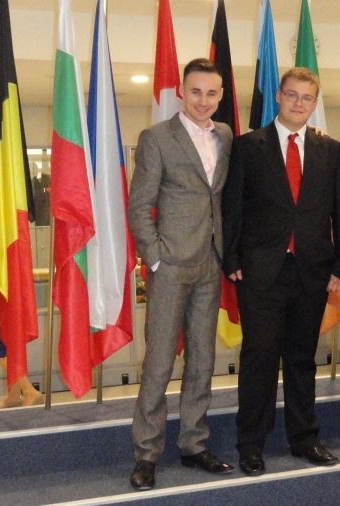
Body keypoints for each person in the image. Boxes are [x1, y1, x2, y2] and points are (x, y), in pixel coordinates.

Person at [221, 67, 340, 476]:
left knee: (301, 359)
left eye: (307, 97)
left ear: (315, 103)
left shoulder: (330, 150)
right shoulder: (247, 147)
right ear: (278, 96)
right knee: (259, 359)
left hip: (312, 272)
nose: (299, 103)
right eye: (292, 95)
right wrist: (231, 258)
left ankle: (304, 438)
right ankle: (251, 444)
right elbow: (232, 206)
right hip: (260, 273)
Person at [126, 58, 235, 491]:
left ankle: (193, 443)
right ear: (181, 93)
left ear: (220, 95)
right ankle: (147, 453)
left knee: (203, 361)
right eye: (195, 92)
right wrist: (155, 258)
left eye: (211, 93)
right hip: (170, 265)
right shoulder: (156, 137)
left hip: (211, 262)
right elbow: (139, 205)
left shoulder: (225, 135)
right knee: (158, 363)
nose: (203, 100)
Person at [0, 253, 43, 408]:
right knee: (7, 353)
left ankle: (29, 390)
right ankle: (15, 394)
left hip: (0, 306)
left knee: (1, 355)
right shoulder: (4, 252)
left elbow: (2, 283)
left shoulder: (6, 252)